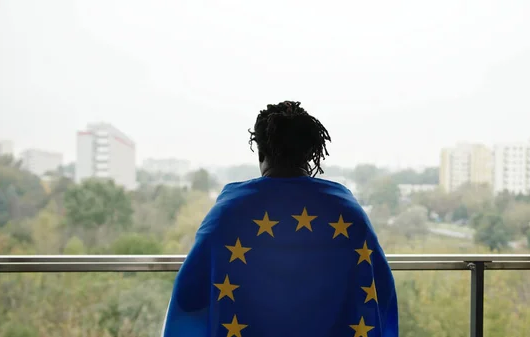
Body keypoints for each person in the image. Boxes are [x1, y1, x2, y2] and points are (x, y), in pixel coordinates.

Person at [162, 101, 398, 337]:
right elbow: (381, 294)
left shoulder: (227, 214)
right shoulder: (348, 214)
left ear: (261, 153)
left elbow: (189, 297)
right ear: (311, 153)